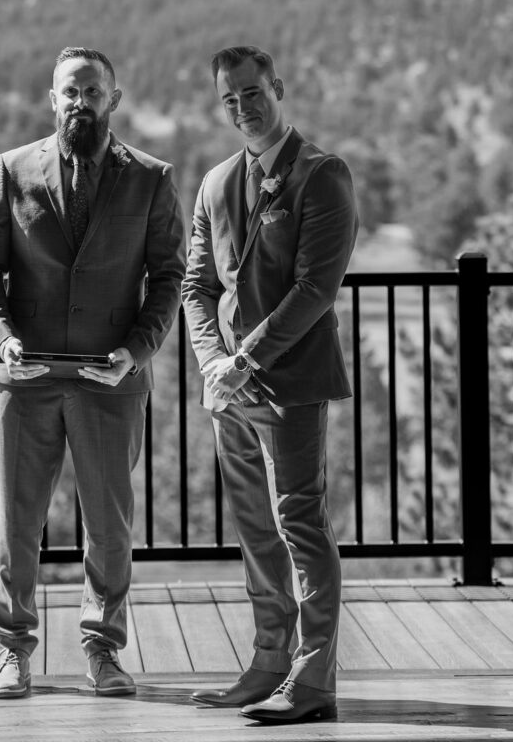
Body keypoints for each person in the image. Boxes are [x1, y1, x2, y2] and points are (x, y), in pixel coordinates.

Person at [0, 46, 185, 700]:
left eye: (92, 91)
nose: (79, 101)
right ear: (52, 98)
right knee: (17, 524)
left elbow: (170, 275)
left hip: (110, 381)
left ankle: (104, 652)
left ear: (113, 99)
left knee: (110, 528)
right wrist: (1, 340)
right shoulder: (10, 169)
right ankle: (11, 654)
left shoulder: (151, 178)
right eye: (69, 91)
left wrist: (138, 350)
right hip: (24, 381)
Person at [181, 45, 358, 724]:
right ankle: (266, 665)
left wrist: (245, 360)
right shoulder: (216, 182)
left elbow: (316, 288)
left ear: (278, 89)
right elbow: (197, 287)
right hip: (229, 387)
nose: (241, 108)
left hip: (290, 383)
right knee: (256, 529)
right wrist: (210, 364)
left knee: (299, 523)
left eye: (251, 93)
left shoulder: (323, 174)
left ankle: (312, 683)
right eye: (228, 99)